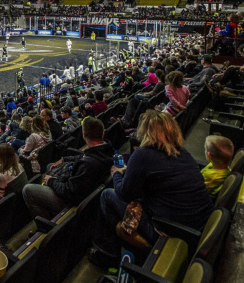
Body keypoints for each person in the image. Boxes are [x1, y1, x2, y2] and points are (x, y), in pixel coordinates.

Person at [89, 111, 214, 268]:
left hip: (171, 229)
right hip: (196, 228)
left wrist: (116, 174)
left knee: (107, 195)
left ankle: (108, 253)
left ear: (146, 131)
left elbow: (124, 194)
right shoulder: (183, 153)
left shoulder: (143, 155)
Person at [23, 117, 113, 220]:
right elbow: (83, 155)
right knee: (50, 166)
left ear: (83, 134)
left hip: (72, 202)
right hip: (85, 189)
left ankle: (48, 225)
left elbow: (69, 192)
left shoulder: (87, 164)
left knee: (27, 190)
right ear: (103, 134)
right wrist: (64, 159)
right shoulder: (106, 150)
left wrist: (51, 181)